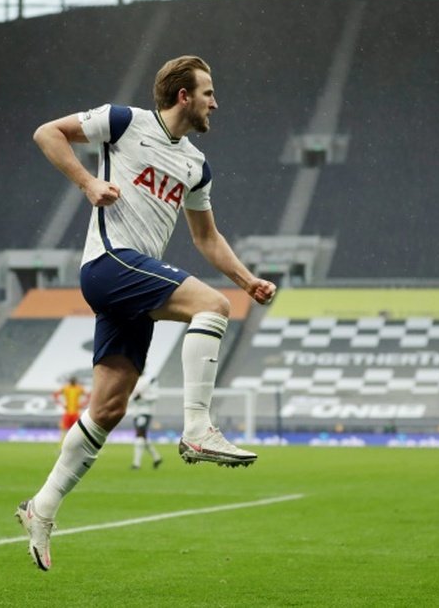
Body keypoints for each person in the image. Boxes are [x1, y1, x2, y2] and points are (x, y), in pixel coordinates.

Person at [16, 55, 277, 571]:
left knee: (109, 409)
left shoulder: (196, 165)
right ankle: (197, 428)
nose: (214, 103)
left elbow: (206, 238)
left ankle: (41, 509)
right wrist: (89, 185)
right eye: (208, 93)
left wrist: (248, 280)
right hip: (109, 263)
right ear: (184, 96)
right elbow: (47, 133)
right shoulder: (124, 121)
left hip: (132, 282)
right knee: (212, 306)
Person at [129, 373, 163, 470]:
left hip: (145, 412)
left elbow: (155, 396)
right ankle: (157, 458)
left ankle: (136, 464)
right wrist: (134, 397)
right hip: (135, 412)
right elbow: (129, 396)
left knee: (139, 435)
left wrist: (143, 397)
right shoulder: (133, 378)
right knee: (142, 436)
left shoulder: (150, 379)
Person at [53, 375, 88, 442]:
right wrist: (62, 404)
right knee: (64, 430)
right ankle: (62, 447)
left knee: (78, 430)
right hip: (68, 413)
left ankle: (78, 445)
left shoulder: (79, 388)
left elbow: (88, 396)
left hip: (75, 413)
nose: (72, 382)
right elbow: (55, 394)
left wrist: (82, 404)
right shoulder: (66, 388)